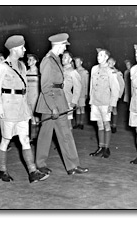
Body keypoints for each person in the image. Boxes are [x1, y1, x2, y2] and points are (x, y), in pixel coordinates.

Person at [0, 35, 49, 183]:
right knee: (5, 140)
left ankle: (32, 171)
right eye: (22, 47)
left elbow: (26, 90)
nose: (24, 49)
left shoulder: (22, 66)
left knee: (25, 139)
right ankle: (2, 171)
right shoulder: (2, 67)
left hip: (22, 109)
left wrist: (28, 108)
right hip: (8, 109)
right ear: (14, 49)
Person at [35, 33, 88, 175]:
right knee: (45, 135)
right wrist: (53, 107)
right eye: (64, 45)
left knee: (66, 133)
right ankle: (40, 164)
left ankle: (73, 165)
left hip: (60, 99)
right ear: (58, 45)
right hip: (49, 102)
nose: (65, 48)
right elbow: (45, 87)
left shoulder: (56, 59)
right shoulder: (47, 60)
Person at [89, 48, 119, 158]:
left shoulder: (110, 71)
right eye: (98, 55)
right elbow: (91, 86)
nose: (98, 57)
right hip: (96, 102)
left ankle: (106, 148)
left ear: (106, 57)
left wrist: (112, 104)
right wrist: (91, 101)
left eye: (101, 55)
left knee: (106, 124)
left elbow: (115, 89)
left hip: (105, 102)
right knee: (99, 125)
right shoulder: (94, 69)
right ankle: (100, 147)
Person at [62, 51, 82, 129]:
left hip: (67, 100)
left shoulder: (73, 72)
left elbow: (78, 87)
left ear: (70, 59)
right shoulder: (60, 70)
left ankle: (69, 141)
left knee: (67, 122)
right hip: (58, 99)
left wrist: (74, 101)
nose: (63, 59)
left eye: (65, 57)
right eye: (62, 57)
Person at [107, 57, 125, 133]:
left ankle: (114, 125)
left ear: (114, 63)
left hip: (114, 94)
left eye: (111, 63)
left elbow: (122, 85)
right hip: (106, 94)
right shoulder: (106, 71)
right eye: (108, 62)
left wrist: (119, 95)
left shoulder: (117, 73)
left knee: (114, 109)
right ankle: (107, 125)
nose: (109, 64)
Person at [26, 53, 40, 142]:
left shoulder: (38, 72)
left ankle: (37, 138)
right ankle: (32, 137)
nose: (28, 61)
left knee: (37, 118)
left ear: (35, 61)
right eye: (28, 59)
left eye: (30, 60)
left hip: (35, 97)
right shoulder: (26, 72)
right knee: (30, 117)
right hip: (28, 97)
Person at [73, 56, 89, 130]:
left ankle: (81, 123)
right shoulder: (74, 71)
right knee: (77, 108)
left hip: (82, 92)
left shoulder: (84, 72)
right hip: (75, 92)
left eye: (78, 62)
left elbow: (86, 83)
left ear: (81, 62)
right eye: (75, 62)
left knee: (82, 107)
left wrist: (86, 93)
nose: (76, 63)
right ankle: (77, 123)